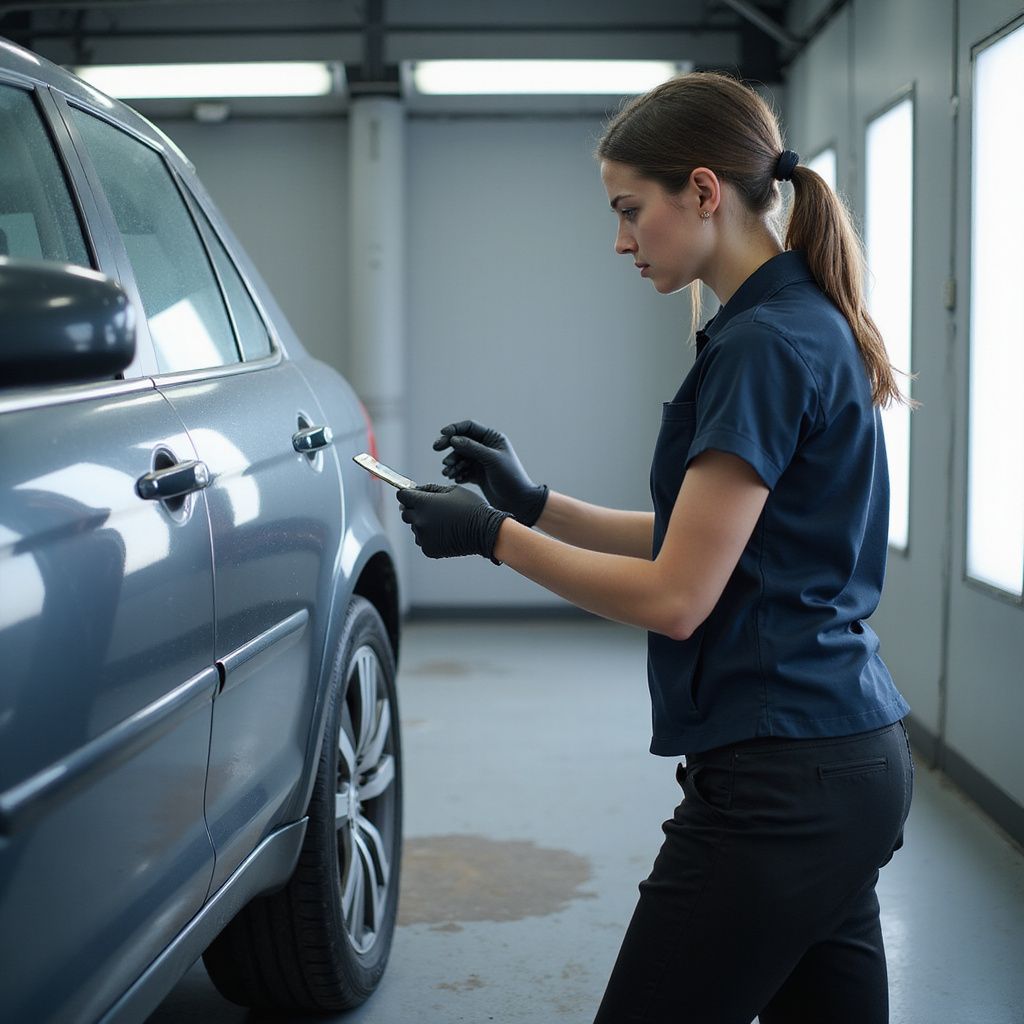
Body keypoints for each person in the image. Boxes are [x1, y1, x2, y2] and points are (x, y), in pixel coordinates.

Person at [397, 70, 915, 1024]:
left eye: (632, 211)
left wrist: (493, 538)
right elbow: (712, 543)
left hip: (781, 785)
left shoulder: (762, 345)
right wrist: (534, 501)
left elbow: (679, 594)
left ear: (705, 191)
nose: (622, 241)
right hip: (847, 759)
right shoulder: (797, 324)